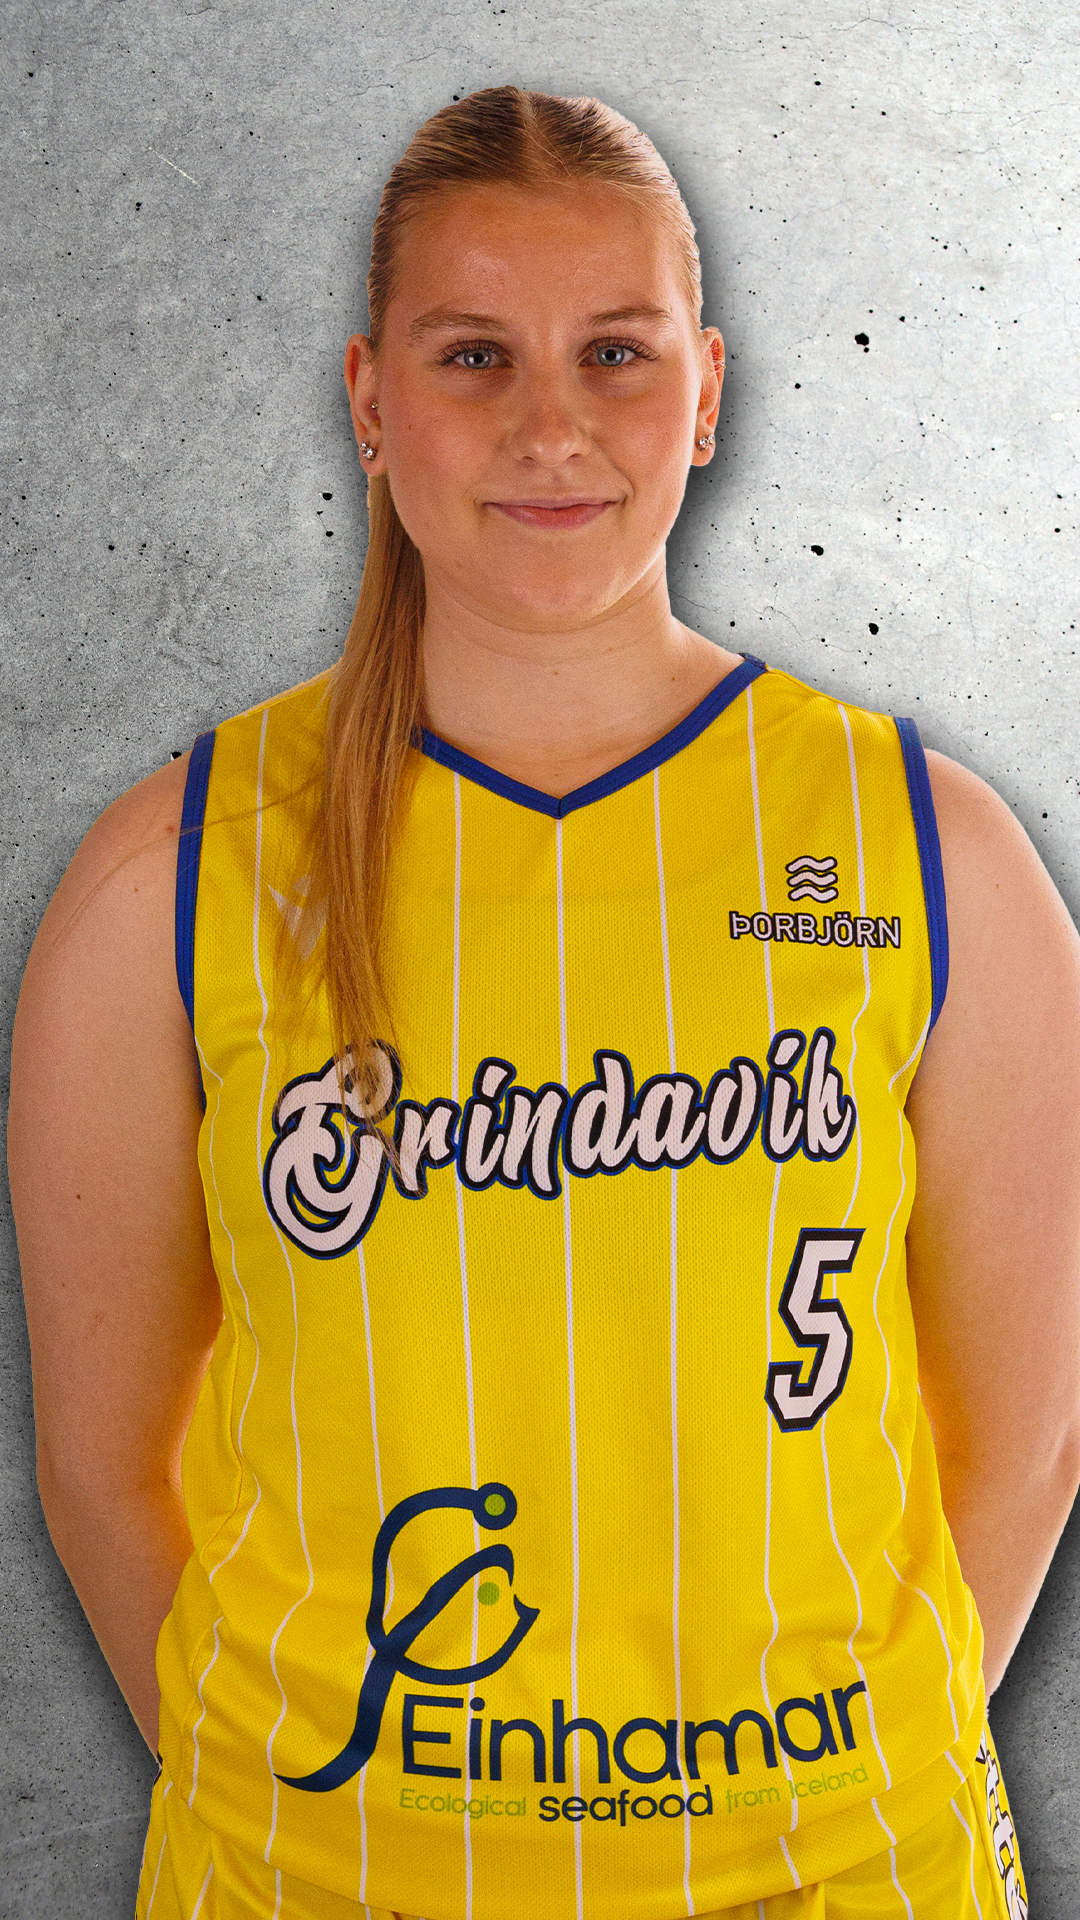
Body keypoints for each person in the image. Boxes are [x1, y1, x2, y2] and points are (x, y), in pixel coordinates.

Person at [8, 85, 1079, 1920]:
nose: (552, 424)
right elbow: (106, 1476)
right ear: (367, 398)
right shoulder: (165, 879)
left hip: (839, 1869)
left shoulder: (930, 852)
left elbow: (1027, 1443)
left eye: (616, 352)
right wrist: (327, 1806)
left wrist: (808, 1801)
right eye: (474, 355)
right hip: (318, 1872)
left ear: (708, 391)